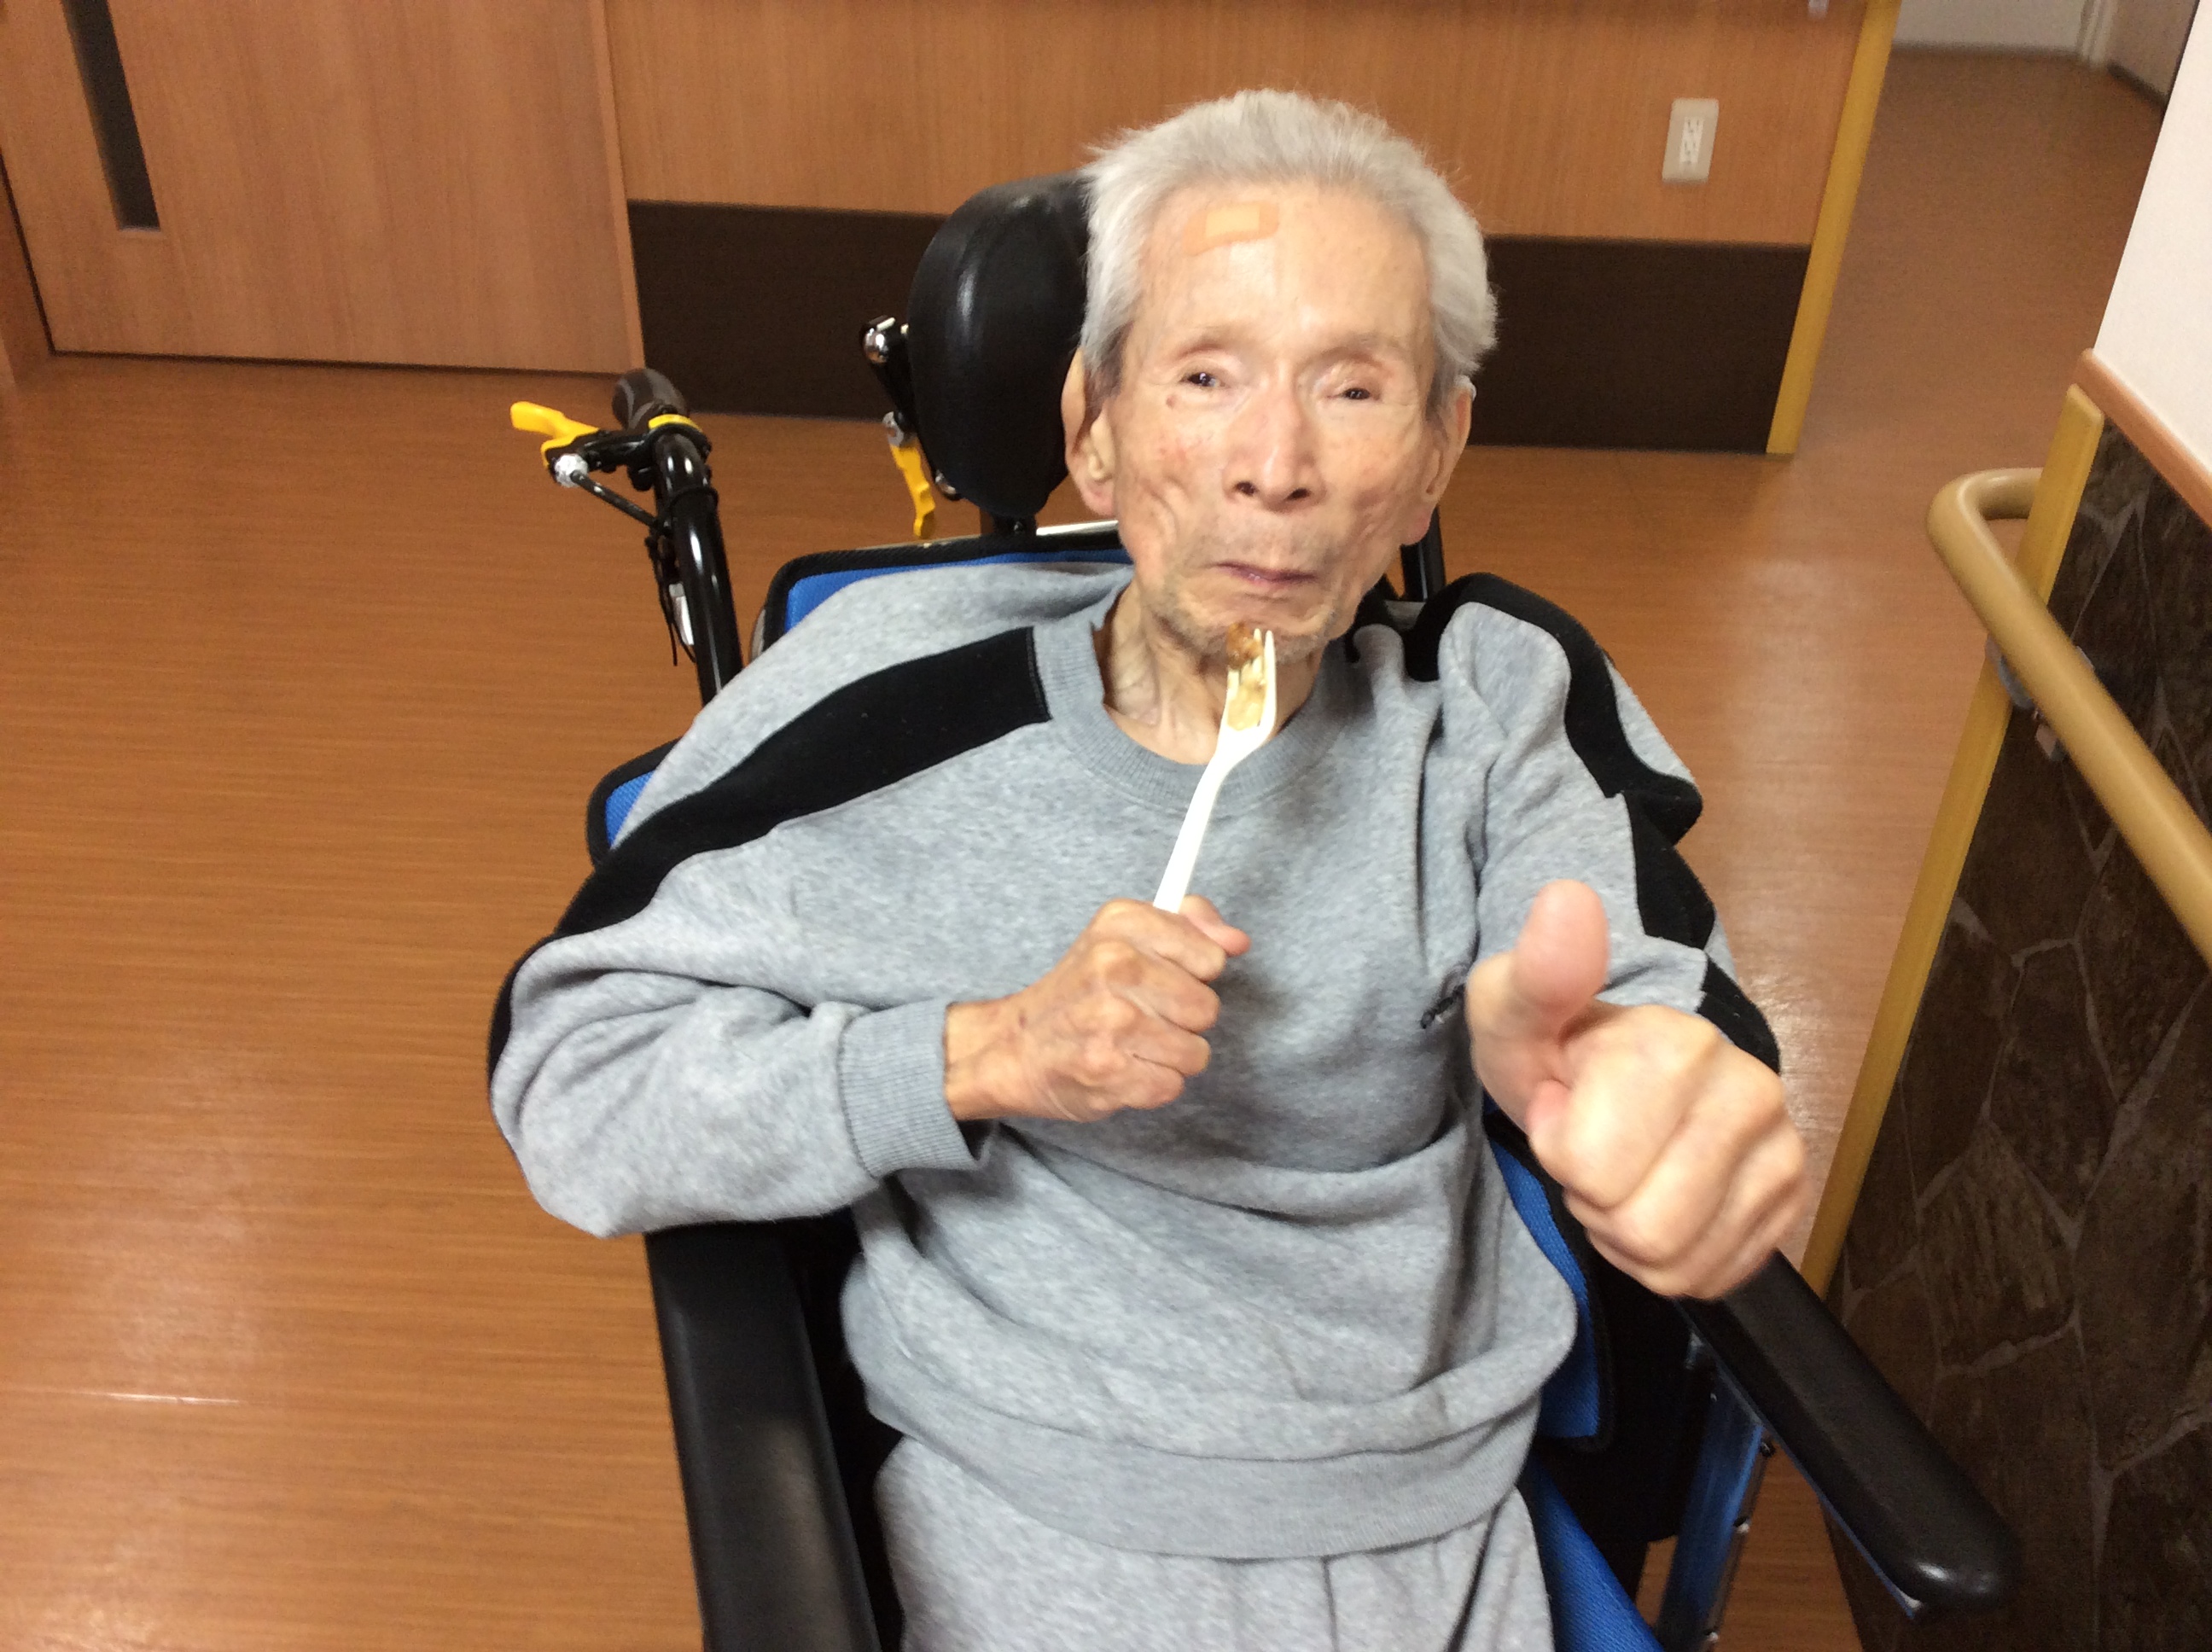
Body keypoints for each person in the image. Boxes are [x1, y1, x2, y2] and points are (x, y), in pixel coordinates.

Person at [490, 90, 1806, 1651]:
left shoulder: (1489, 698)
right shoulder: (882, 699)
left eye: (1355, 387)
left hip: (1442, 1524)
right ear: (1094, 428)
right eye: (1205, 376)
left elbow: (1647, 991)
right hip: (1044, 1518)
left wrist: (1645, 1083)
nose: (1276, 465)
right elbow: (574, 1085)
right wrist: (982, 1052)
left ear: (1436, 453)